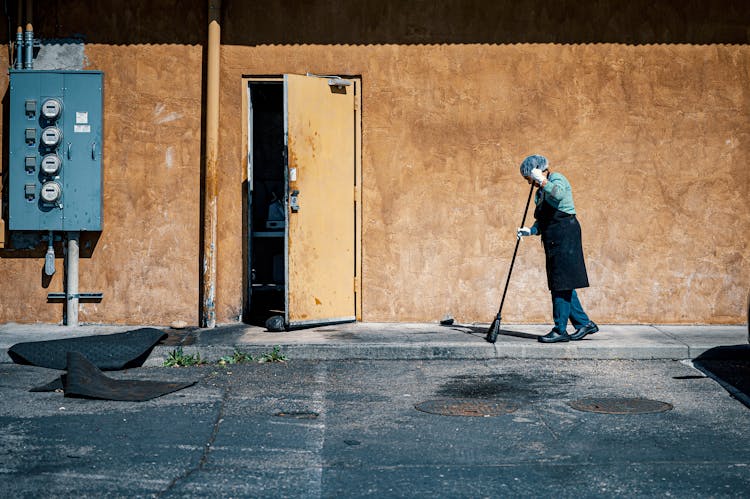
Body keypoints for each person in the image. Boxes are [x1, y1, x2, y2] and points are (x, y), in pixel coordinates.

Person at [516, 154, 599, 343]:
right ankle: (584, 324)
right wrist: (531, 230)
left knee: (560, 283)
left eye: (528, 178)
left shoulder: (556, 179)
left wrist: (542, 179)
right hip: (553, 238)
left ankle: (560, 329)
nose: (529, 183)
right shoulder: (540, 192)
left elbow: (559, 194)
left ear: (535, 171)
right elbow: (544, 218)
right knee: (564, 283)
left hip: (565, 235)